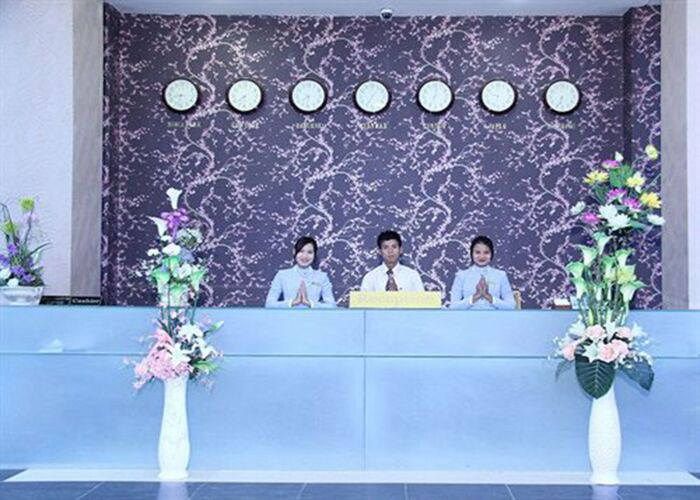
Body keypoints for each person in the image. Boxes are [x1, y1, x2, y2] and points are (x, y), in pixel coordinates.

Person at [265, 236, 336, 308]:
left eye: (309, 252)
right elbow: (269, 304)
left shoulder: (322, 277)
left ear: (314, 255)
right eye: (301, 251)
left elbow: (332, 306)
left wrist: (310, 303)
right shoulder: (282, 275)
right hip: (289, 315)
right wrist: (292, 303)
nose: (305, 256)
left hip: (313, 315)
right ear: (294, 252)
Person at [449, 235, 515, 310]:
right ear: (471, 254)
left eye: (486, 252)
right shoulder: (461, 276)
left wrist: (488, 297)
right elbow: (453, 307)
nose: (482, 256)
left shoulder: (501, 275)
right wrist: (475, 296)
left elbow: (511, 306)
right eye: (477, 252)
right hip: (468, 317)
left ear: (492, 254)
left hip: (494, 316)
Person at [360, 230, 425, 292]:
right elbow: (363, 300)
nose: (390, 251)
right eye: (386, 247)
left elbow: (422, 299)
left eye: (394, 247)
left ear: (400, 250)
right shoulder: (370, 278)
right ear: (379, 251)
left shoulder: (413, 276)